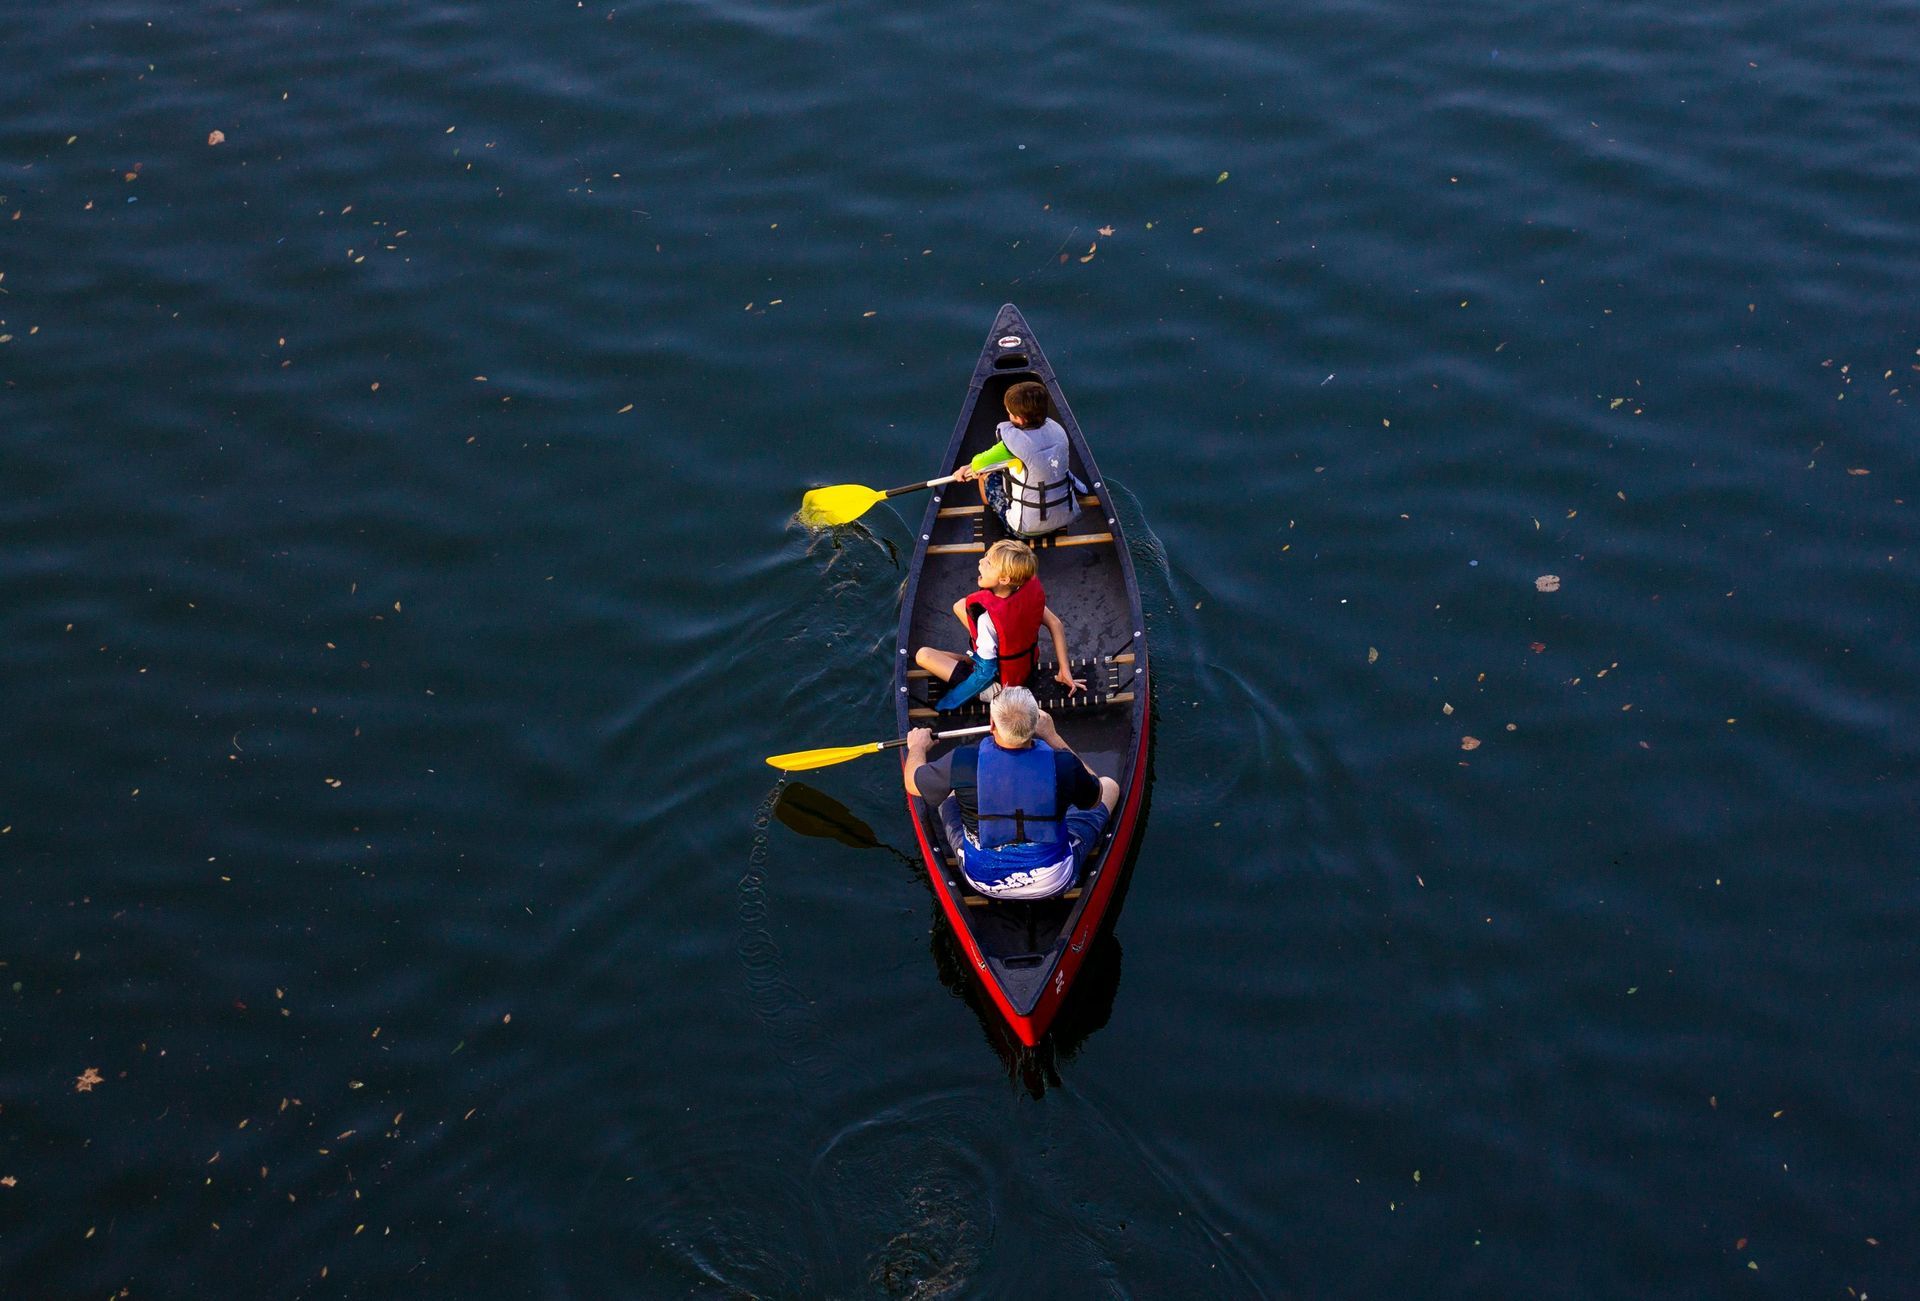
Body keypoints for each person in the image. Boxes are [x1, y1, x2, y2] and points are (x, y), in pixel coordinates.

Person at [903, 687, 1120, 901]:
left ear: (991, 725)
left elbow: (912, 783)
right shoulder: (1063, 765)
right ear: (1035, 725)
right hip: (1053, 881)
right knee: (1109, 785)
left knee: (946, 791)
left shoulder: (962, 763)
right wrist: (1053, 736)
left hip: (984, 882)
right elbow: (1096, 797)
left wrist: (917, 747)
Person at [914, 539, 1083, 711]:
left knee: (923, 655)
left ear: (1003, 579)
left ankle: (968, 661)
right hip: (1026, 666)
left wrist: (950, 701)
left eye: (988, 563)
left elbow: (985, 673)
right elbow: (1055, 623)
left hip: (1000, 687)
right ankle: (967, 659)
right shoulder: (1023, 587)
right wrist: (1064, 670)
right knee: (960, 606)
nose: (980, 562)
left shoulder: (986, 619)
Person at [954, 380, 1080, 537]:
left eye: (1009, 413)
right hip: (1065, 517)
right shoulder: (1058, 430)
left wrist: (963, 470)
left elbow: (978, 464)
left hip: (1024, 529)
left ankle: (993, 513)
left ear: (1020, 419)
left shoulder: (1009, 446)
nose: (1008, 416)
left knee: (987, 476)